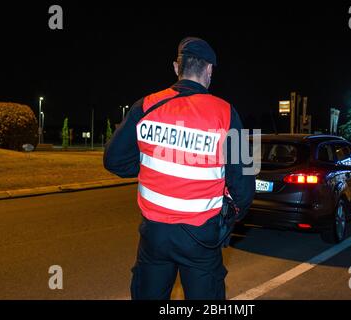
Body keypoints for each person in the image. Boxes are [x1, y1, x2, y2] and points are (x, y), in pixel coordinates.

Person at [103, 37, 255, 300]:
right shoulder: (228, 113)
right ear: (209, 70)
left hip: (154, 235)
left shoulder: (146, 105)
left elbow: (113, 159)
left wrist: (153, 165)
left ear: (176, 67)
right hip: (202, 236)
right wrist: (228, 218)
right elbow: (244, 185)